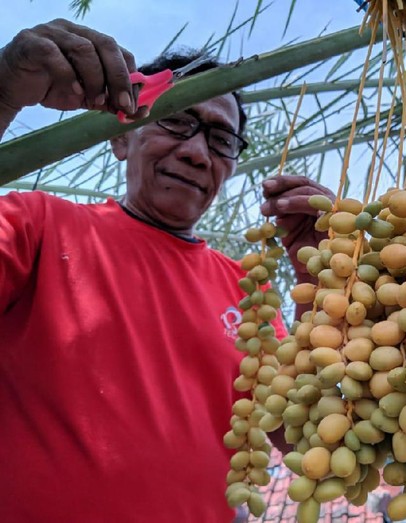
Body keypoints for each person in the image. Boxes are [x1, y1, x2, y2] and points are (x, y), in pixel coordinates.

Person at [0, 18, 333, 523]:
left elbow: (303, 437)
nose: (197, 152)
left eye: (222, 140)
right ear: (121, 137)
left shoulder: (248, 290)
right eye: (176, 119)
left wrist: (319, 276)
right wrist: (3, 94)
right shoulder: (37, 226)